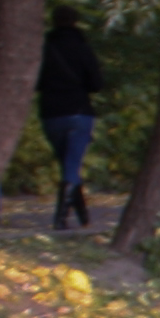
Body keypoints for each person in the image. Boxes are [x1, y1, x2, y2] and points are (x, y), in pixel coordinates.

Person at [36, 11, 107, 229]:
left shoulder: (45, 50)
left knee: (68, 164)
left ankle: (82, 217)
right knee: (71, 166)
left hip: (51, 112)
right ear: (75, 22)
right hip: (78, 110)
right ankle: (61, 219)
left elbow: (36, 82)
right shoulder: (83, 49)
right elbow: (97, 83)